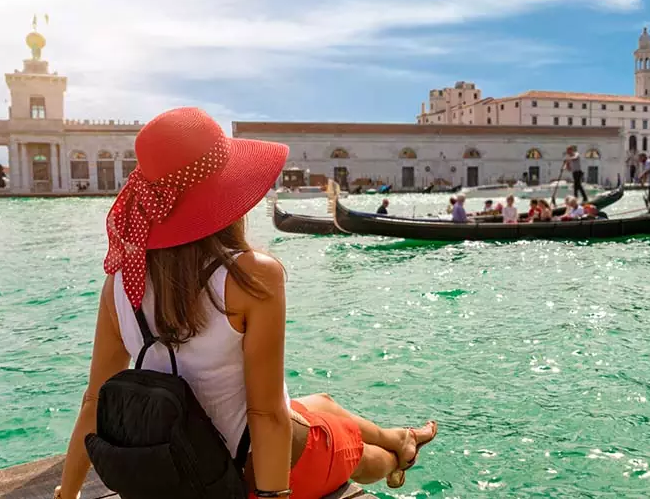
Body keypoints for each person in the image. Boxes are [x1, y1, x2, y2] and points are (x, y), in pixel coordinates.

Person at [54, 108, 437, 499]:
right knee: (354, 447)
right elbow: (267, 415)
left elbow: (93, 401)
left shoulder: (119, 281)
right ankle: (397, 458)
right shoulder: (251, 276)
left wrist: (66, 494)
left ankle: (399, 435)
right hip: (243, 475)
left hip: (176, 462)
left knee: (323, 402)